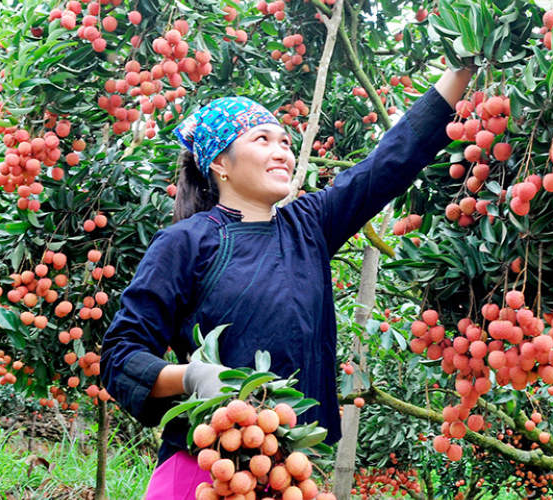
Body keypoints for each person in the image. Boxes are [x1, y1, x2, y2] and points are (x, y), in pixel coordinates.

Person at [99, 67, 474, 499]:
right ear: (219, 162)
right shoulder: (186, 241)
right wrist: (193, 377)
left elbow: (392, 158)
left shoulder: (310, 224)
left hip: (285, 476)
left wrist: (462, 64)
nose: (282, 152)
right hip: (207, 472)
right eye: (262, 140)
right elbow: (120, 355)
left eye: (285, 143)